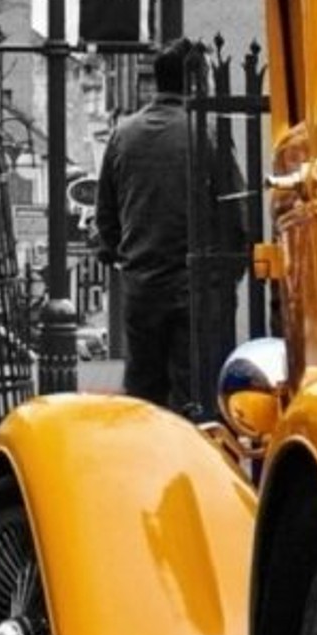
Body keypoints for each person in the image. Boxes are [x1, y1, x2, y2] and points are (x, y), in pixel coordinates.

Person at [94, 36, 247, 416]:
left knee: (145, 395)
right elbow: (236, 214)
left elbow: (106, 219)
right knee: (194, 396)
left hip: (142, 286)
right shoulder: (208, 133)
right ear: (195, 82)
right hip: (196, 287)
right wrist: (232, 271)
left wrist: (125, 256)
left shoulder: (123, 135)